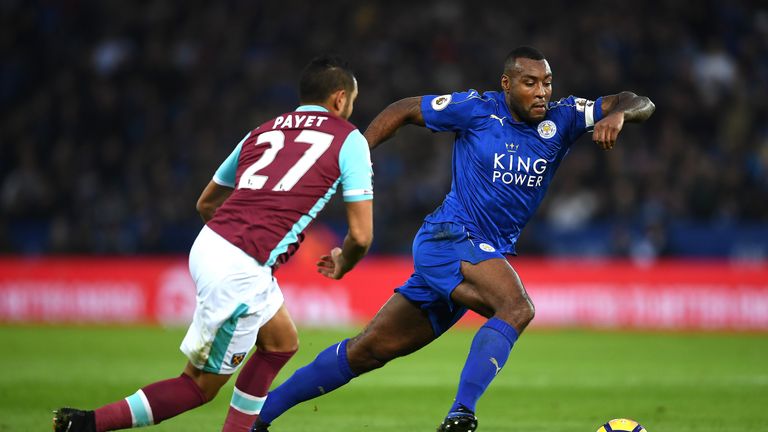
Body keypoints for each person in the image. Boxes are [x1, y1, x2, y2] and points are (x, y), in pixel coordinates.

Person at [250, 46, 655, 432]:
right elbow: (404, 109)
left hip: (473, 254)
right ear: (506, 84)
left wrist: (618, 114)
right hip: (449, 237)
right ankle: (461, 415)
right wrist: (356, 150)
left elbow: (638, 100)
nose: (542, 92)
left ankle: (255, 416)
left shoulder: (563, 119)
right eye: (530, 83)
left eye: (547, 82)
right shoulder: (477, 110)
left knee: (367, 350)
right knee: (516, 308)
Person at [53, 55, 374, 432]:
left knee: (281, 343)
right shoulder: (348, 138)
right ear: (339, 99)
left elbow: (206, 203)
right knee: (198, 386)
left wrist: (230, 244)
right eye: (352, 101)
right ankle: (88, 424)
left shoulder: (263, 130)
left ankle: (249, 426)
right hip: (241, 267)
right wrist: (344, 261)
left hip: (212, 243)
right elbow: (362, 235)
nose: (351, 109)